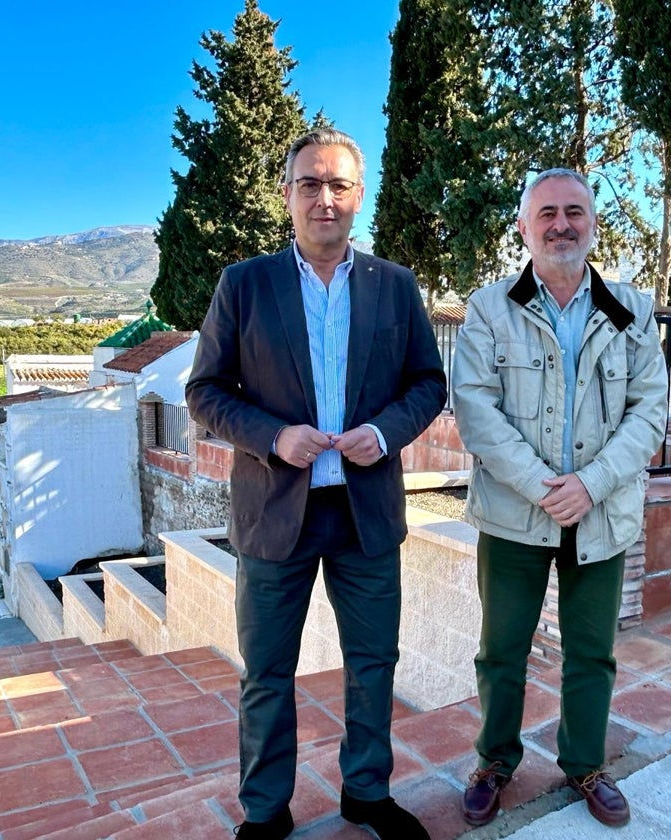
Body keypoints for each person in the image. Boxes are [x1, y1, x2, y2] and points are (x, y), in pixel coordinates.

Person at [186, 127, 445, 840]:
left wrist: (386, 432)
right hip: (275, 512)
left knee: (374, 663)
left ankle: (366, 791)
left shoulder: (394, 286)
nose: (323, 199)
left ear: (358, 196)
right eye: (310, 184)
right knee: (267, 672)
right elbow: (205, 392)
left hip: (366, 514)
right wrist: (274, 437)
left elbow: (428, 382)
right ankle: (265, 813)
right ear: (287, 195)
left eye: (338, 185)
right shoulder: (244, 284)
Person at [451, 168, 668, 829]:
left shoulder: (632, 307)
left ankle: (584, 765)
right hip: (516, 514)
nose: (561, 224)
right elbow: (475, 408)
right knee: (502, 648)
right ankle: (494, 760)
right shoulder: (490, 308)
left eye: (574, 211)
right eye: (546, 213)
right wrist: (547, 487)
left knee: (592, 650)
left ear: (593, 222)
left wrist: (591, 485)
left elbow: (650, 409)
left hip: (601, 516)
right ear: (524, 226)